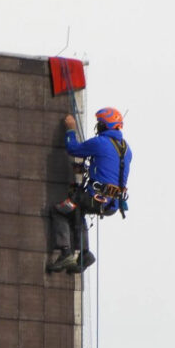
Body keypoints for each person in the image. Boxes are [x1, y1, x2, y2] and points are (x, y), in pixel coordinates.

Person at [47, 107, 132, 273]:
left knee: (61, 211)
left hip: (95, 198)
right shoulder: (127, 150)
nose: (98, 126)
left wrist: (71, 128)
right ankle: (84, 254)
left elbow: (73, 148)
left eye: (100, 123)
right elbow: (109, 169)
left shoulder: (100, 142)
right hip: (112, 204)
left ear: (105, 125)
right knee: (78, 211)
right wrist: (87, 169)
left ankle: (66, 252)